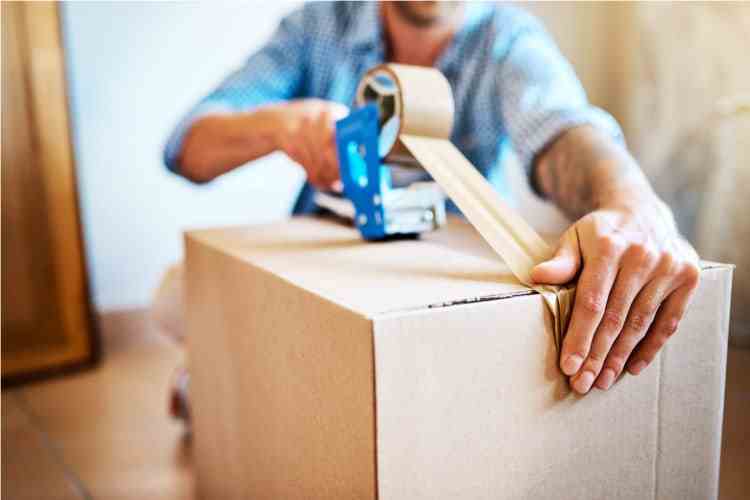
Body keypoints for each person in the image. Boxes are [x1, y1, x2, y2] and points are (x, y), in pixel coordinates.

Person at [161, 1, 699, 408]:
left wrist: (628, 200)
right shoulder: (320, 24)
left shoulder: (506, 39)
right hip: (322, 264)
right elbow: (186, 148)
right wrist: (279, 125)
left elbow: (562, 131)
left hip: (443, 281)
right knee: (175, 297)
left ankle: (243, 375)